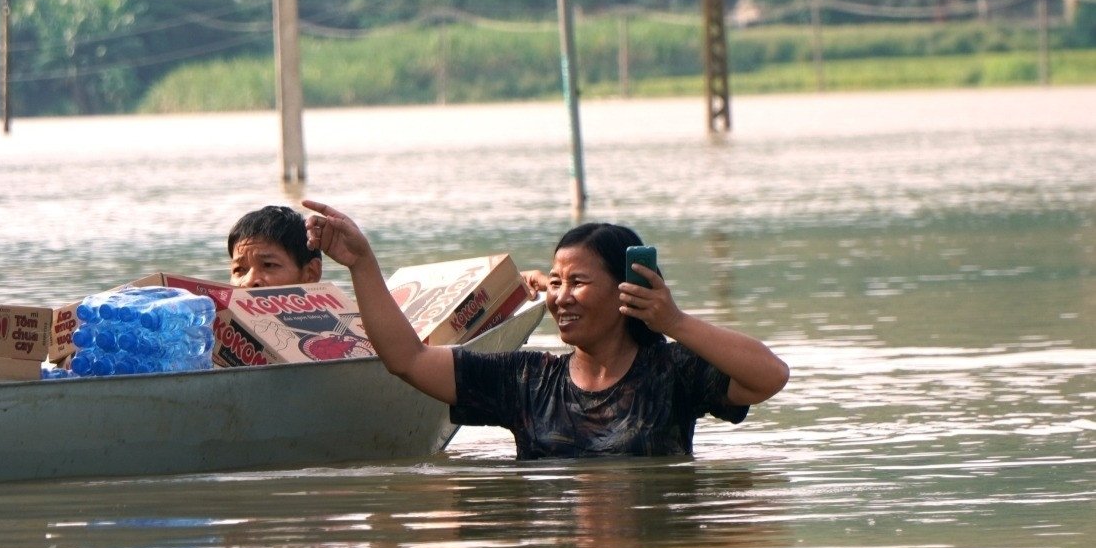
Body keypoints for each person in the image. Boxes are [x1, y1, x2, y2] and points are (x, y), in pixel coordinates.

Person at [302, 200, 788, 459]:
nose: (559, 297)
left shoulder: (671, 371)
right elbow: (407, 360)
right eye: (555, 282)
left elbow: (770, 376)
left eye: (578, 282)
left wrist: (675, 322)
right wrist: (362, 264)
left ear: (627, 290)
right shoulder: (528, 381)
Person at [227, 205, 323, 288]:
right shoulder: (214, 308)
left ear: (311, 273)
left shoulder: (336, 309)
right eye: (239, 269)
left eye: (268, 265)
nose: (248, 282)